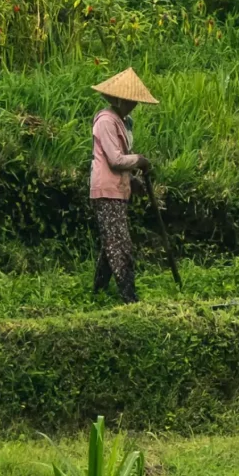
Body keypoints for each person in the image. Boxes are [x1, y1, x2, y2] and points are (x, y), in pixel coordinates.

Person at [89, 68, 157, 304]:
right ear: (118, 98)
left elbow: (122, 160)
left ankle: (98, 292)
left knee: (112, 243)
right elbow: (115, 160)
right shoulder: (106, 121)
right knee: (122, 246)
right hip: (106, 191)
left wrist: (133, 180)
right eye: (129, 101)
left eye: (134, 101)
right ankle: (130, 298)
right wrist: (139, 160)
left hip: (118, 190)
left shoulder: (125, 122)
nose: (133, 105)